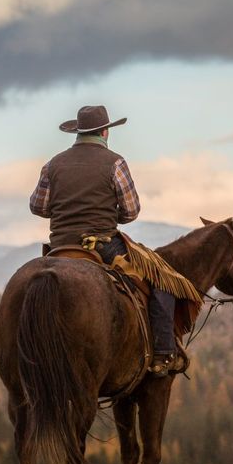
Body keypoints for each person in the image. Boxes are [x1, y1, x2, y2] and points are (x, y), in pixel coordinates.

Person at [29, 104, 179, 377]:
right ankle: (162, 354)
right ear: (105, 132)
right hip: (102, 244)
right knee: (161, 280)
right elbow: (131, 211)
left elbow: (38, 207)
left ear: (77, 132)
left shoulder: (52, 164)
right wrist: (110, 214)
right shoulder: (116, 162)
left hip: (60, 246)